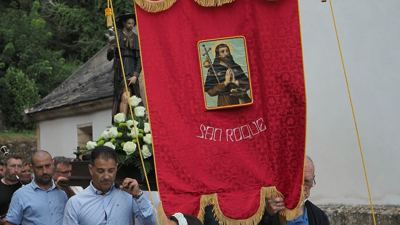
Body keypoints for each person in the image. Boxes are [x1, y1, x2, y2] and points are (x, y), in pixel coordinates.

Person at [204, 156, 330, 225]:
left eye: (307, 182)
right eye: (297, 182)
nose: (302, 190)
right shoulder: (265, 208)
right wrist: (267, 214)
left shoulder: (318, 216)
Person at [62, 146, 158, 225]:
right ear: (91, 169)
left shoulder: (128, 196)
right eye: (101, 171)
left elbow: (153, 223)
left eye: (111, 171)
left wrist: (138, 195)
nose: (106, 176)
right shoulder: (75, 203)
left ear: (116, 168)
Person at [5, 150, 68, 225]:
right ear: (32, 168)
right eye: (40, 167)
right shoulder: (20, 195)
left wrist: (68, 189)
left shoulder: (64, 191)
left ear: (53, 164)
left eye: (47, 166)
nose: (44, 171)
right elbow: (11, 223)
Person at [107, 13, 142, 121]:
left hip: (132, 69)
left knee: (134, 99)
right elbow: (109, 57)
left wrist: (135, 75)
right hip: (121, 70)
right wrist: (111, 49)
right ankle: (122, 124)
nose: (131, 25)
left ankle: (133, 122)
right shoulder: (117, 37)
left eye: (132, 23)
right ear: (123, 23)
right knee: (124, 97)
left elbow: (139, 59)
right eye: (129, 23)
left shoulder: (136, 38)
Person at [0, 155, 22, 225]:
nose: (16, 170)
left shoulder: (27, 186)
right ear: (4, 167)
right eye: (12, 166)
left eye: (19, 166)